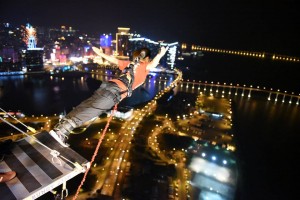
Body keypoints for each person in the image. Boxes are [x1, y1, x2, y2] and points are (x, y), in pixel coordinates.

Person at [49, 46, 169, 147]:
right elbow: (153, 64)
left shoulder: (130, 64)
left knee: (86, 106)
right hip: (114, 92)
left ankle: (60, 127)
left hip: (107, 87)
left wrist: (101, 53)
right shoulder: (144, 66)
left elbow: (113, 60)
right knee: (90, 111)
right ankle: (61, 131)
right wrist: (160, 54)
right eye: (149, 59)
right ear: (147, 58)